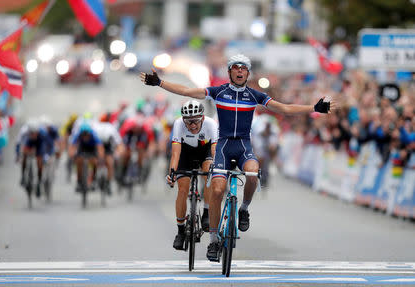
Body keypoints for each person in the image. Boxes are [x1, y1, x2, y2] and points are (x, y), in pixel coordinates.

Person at [141, 54, 334, 261]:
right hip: (223, 145)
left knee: (252, 172)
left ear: (248, 73)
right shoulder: (218, 92)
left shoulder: (254, 95)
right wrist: (160, 83)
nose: (240, 71)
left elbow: (285, 108)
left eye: (244, 69)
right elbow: (187, 91)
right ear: (230, 72)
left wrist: (314, 108)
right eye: (236, 68)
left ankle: (243, 209)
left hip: (243, 146)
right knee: (216, 190)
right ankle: (214, 241)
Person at [166, 100, 218, 250]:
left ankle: (206, 212)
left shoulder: (211, 124)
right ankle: (180, 231)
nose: (192, 126)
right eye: (188, 122)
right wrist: (172, 174)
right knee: (182, 189)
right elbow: (175, 154)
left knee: (209, 174)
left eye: (195, 121)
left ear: (202, 118)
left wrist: (216, 169)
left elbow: (214, 151)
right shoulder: (178, 124)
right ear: (183, 120)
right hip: (186, 153)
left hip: (205, 150)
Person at [68, 122, 104, 192]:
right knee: (78, 162)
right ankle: (79, 181)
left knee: (95, 162)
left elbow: (100, 147)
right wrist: (71, 155)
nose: (85, 136)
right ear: (81, 133)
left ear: (89, 133)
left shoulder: (94, 135)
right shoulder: (78, 135)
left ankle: (94, 179)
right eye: (83, 135)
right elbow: (72, 146)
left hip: (92, 149)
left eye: (86, 134)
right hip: (82, 148)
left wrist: (100, 157)